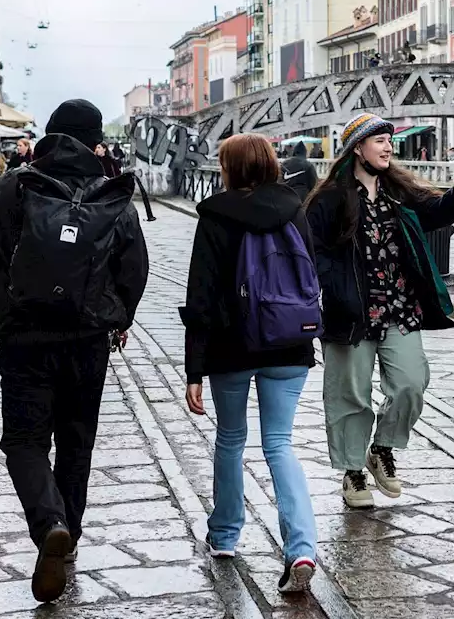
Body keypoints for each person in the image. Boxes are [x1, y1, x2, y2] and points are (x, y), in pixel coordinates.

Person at [0, 99, 148, 604]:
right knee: (77, 439)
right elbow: (134, 267)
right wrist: (119, 318)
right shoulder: (111, 194)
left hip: (25, 335)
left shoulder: (15, 185)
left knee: (23, 441)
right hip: (89, 340)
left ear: (49, 135)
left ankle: (48, 525)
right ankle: (70, 538)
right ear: (93, 141)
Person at [306, 113, 454, 509]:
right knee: (350, 395)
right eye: (379, 140)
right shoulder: (329, 198)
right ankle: (352, 472)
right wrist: (337, 290)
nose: (387, 147)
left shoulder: (396, 190)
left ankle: (381, 448)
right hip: (352, 314)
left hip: (401, 307)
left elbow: (433, 214)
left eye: (389, 140)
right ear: (357, 148)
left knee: (411, 383)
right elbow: (313, 253)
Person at [181, 133, 319, 593]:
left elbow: (199, 297)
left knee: (231, 438)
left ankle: (224, 535)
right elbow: (310, 277)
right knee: (279, 443)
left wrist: (194, 369)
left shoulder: (216, 215)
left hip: (231, 346)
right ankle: (301, 547)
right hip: (288, 342)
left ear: (229, 169)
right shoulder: (296, 209)